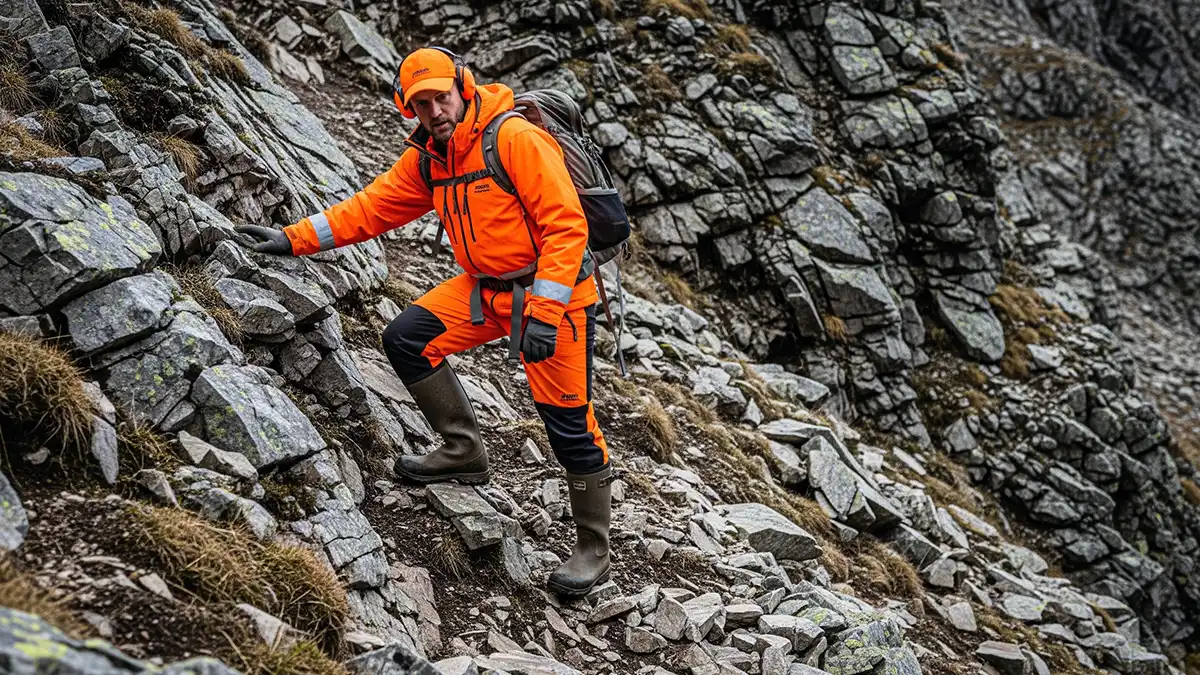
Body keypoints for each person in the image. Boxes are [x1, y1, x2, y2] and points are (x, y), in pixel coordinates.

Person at [236, 46, 612, 597]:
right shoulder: (430, 158)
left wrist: (547, 313)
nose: (435, 111)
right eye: (421, 104)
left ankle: (593, 549)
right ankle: (464, 452)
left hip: (555, 297)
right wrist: (293, 238)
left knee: (567, 423)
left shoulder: (514, 139)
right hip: (485, 290)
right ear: (409, 108)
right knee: (407, 337)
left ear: (462, 87)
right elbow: (371, 208)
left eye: (441, 97)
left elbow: (566, 227)